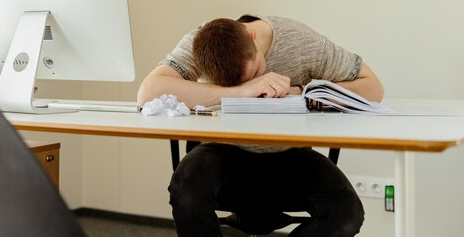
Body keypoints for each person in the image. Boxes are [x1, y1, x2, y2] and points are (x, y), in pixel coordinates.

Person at [138, 15, 384, 237]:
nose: (255, 81)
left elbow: (373, 87)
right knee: (185, 189)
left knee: (347, 213)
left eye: (255, 71)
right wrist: (242, 91)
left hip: (290, 154)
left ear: (253, 37)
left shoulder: (300, 41)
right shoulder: (201, 44)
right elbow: (148, 92)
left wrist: (301, 93)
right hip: (223, 151)